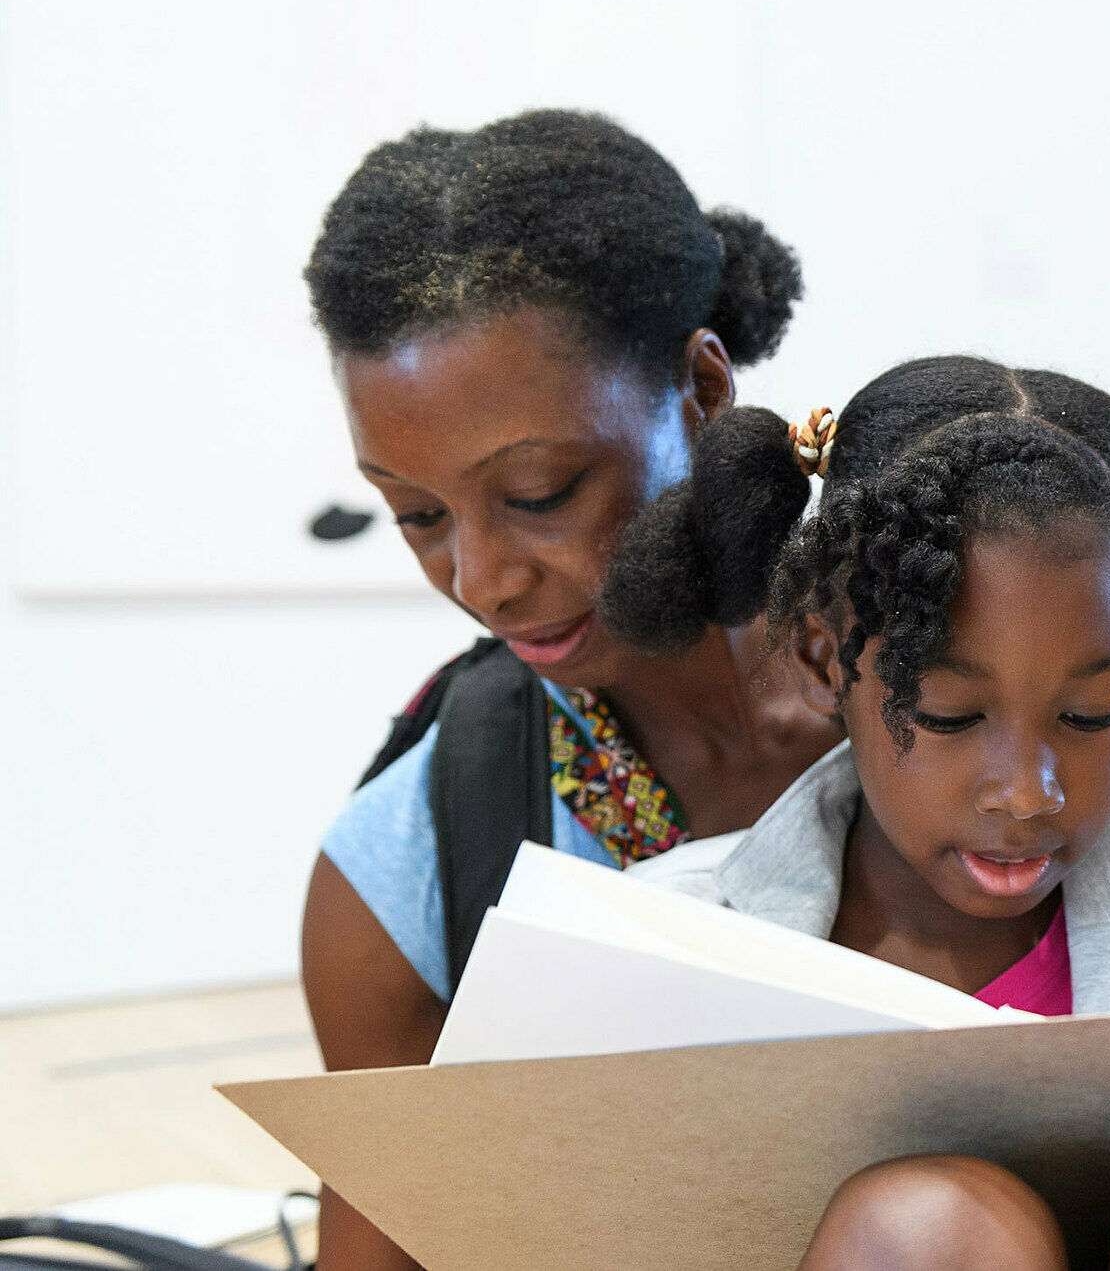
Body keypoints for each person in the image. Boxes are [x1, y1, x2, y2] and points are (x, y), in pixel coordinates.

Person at [604, 356, 1110, 1270]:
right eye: (952, 715)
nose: (1029, 792)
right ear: (821, 658)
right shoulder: (658, 940)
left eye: (1092, 715)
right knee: (926, 1229)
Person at [299, 110, 844, 1271]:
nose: (481, 579)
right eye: (417, 514)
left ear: (702, 388)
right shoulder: (404, 876)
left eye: (539, 492)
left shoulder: (971, 712)